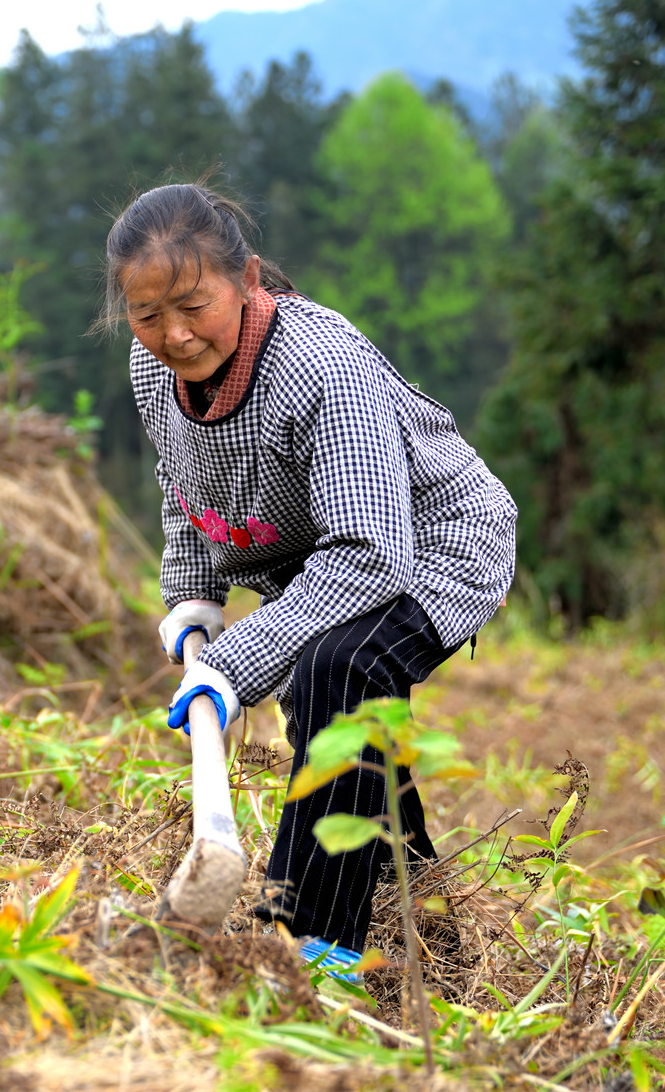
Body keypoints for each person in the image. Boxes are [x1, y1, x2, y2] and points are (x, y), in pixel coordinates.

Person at [107, 184, 516, 972]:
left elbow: (370, 552)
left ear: (247, 278)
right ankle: (426, 917)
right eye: (148, 315)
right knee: (344, 709)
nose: (175, 335)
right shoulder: (154, 368)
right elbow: (181, 479)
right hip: (323, 554)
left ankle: (306, 949)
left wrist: (233, 665)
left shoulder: (319, 365)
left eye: (193, 306)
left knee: (342, 670)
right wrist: (194, 595)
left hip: (434, 543)